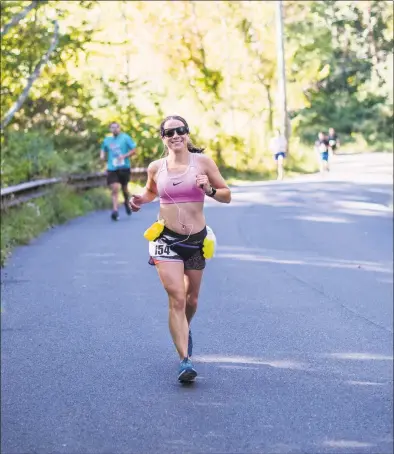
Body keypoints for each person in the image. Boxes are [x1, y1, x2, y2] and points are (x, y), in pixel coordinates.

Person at [129, 115, 231, 383]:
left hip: (196, 241)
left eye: (180, 130)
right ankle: (185, 360)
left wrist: (208, 189)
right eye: (169, 132)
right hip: (166, 240)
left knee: (191, 300)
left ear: (187, 133)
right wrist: (140, 199)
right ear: (162, 137)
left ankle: (185, 329)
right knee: (176, 297)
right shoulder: (156, 167)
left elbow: (226, 195)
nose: (175, 135)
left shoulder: (203, 163)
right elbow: (150, 192)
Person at [100, 121, 137, 221]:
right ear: (110, 129)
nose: (114, 129)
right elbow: (103, 149)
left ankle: (126, 201)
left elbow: (134, 150)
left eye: (116, 127)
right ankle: (115, 211)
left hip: (124, 167)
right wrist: (102, 156)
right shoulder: (107, 140)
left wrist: (124, 156)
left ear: (119, 128)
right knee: (115, 188)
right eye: (112, 127)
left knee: (124, 188)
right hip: (112, 168)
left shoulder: (125, 137)